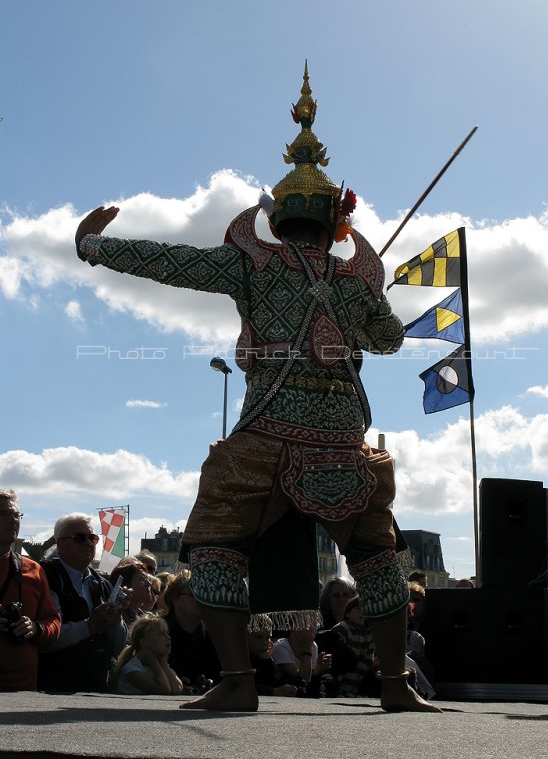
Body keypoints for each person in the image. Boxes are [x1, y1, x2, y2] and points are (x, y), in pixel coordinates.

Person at [75, 65, 440, 714]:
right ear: (337, 222)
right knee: (377, 558)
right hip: (340, 440)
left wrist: (96, 246)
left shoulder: (253, 262)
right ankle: (395, 683)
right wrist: (368, 295)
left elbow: (173, 261)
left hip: (265, 438)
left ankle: (240, 681)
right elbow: (389, 341)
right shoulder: (356, 280)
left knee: (215, 546)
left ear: (281, 219)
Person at [38, 512, 130, 692]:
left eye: (93, 538)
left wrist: (117, 618)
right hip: (54, 687)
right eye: (80, 538)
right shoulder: (47, 577)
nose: (88, 543)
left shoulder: (102, 583)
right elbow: (46, 639)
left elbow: (117, 646)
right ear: (60, 544)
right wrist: (90, 626)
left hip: (96, 687)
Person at [0, 489, 61, 691]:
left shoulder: (32, 569)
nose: (12, 520)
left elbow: (53, 621)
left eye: (16, 515)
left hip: (23, 691)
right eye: (3, 514)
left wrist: (36, 628)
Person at [162, 570, 220, 694]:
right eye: (194, 594)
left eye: (204, 594)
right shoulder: (159, 630)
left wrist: (211, 682)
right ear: (175, 599)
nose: (200, 599)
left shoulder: (213, 633)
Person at [114, 613, 183, 695]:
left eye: (167, 633)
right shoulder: (132, 669)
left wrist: (164, 664)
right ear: (144, 642)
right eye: (161, 634)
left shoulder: (161, 664)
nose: (168, 637)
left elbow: (177, 689)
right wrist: (153, 663)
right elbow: (165, 690)